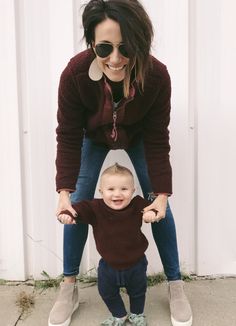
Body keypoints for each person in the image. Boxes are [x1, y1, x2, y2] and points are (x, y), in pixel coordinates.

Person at [49, 1, 193, 326]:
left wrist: (162, 195)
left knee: (160, 205)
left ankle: (175, 283)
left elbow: (157, 137)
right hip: (93, 135)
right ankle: (68, 285)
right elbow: (69, 134)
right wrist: (63, 191)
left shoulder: (155, 76)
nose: (115, 59)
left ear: (139, 42)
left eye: (125, 47)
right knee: (76, 200)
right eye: (104, 47)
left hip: (139, 135)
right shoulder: (75, 74)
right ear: (91, 43)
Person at [58, 163, 156, 326]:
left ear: (132, 191)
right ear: (101, 191)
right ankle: (119, 314)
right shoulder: (95, 208)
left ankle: (137, 314)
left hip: (136, 263)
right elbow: (78, 209)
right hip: (108, 265)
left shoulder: (137, 204)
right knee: (106, 292)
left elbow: (150, 208)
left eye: (124, 189)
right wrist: (68, 214)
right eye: (111, 189)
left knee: (138, 292)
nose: (117, 194)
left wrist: (150, 213)